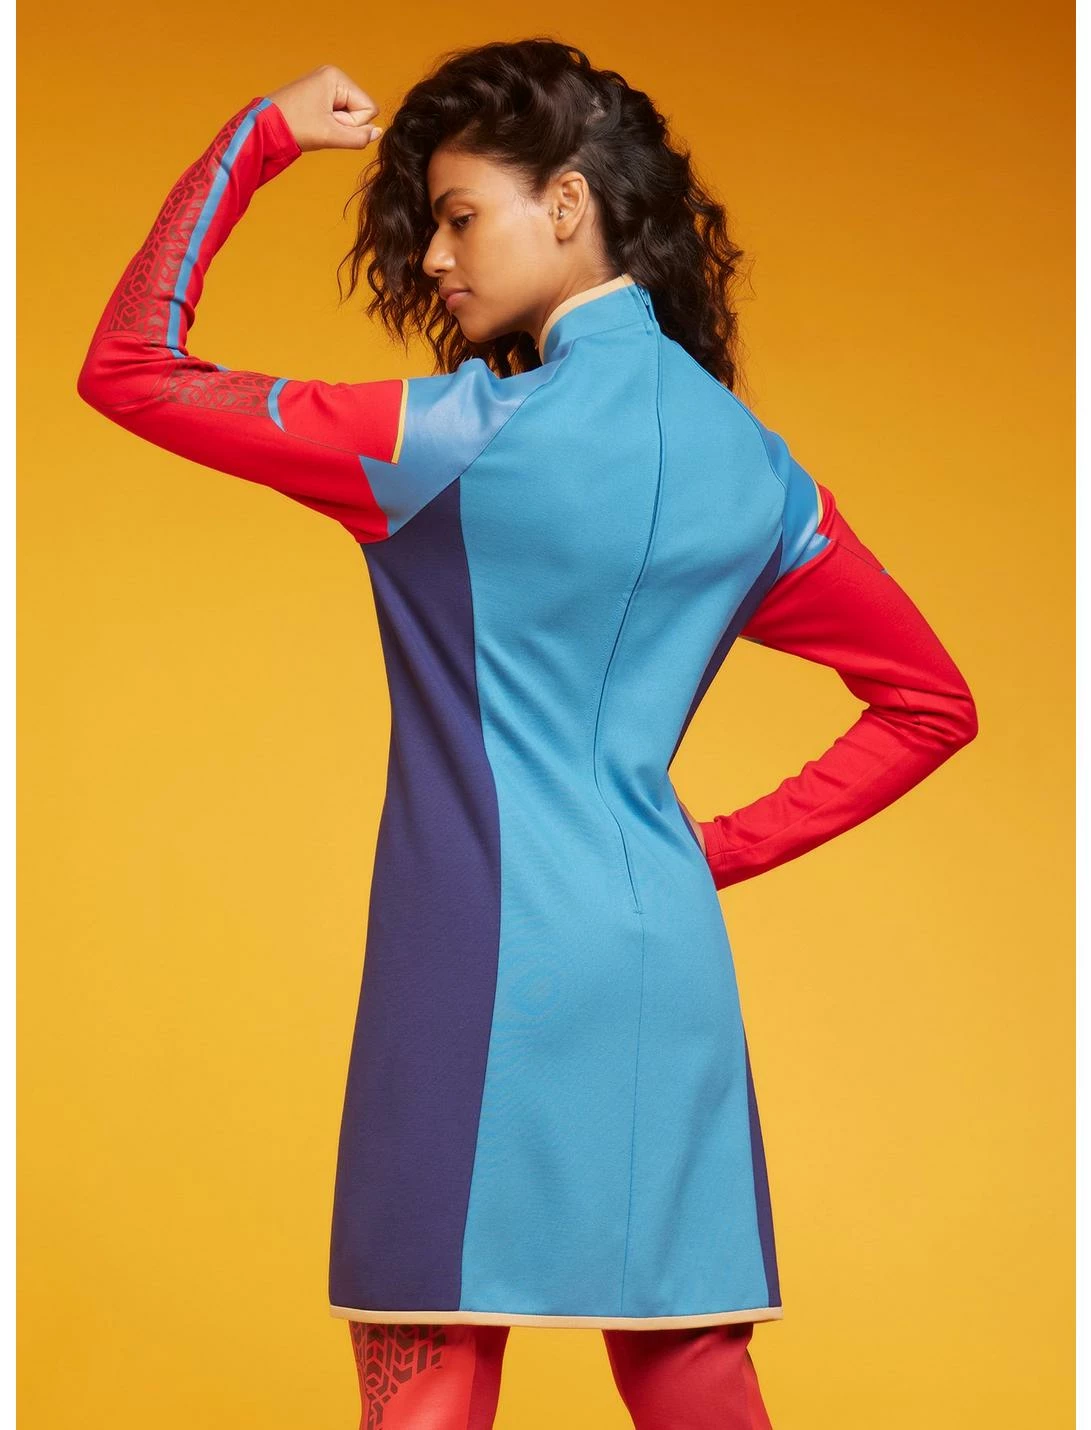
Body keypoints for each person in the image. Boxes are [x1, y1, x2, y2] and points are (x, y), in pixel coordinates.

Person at [76, 42, 978, 1430]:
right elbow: (930, 702)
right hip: (662, 963)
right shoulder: (759, 473)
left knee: (427, 1366)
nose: (433, 257)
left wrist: (257, 138)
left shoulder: (443, 438)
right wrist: (710, 854)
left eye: (456, 215)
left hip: (471, 955)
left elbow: (131, 367)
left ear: (567, 203)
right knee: (686, 1361)